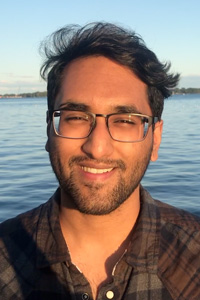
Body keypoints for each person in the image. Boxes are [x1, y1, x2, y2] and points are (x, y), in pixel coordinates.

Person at [0, 22, 200, 300]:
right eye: (76, 117)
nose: (97, 147)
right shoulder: (5, 259)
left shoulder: (194, 257)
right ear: (49, 129)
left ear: (155, 139)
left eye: (125, 121)